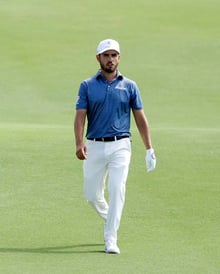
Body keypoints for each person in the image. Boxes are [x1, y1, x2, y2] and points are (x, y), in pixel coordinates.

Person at [73, 38, 156, 254]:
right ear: (98, 58)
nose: (110, 59)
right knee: (92, 195)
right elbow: (80, 117)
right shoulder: (87, 85)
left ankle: (111, 238)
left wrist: (149, 148)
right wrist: (79, 143)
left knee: (117, 188)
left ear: (119, 58)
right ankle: (111, 217)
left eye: (114, 55)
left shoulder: (130, 86)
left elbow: (140, 118)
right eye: (106, 55)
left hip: (121, 145)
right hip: (94, 145)